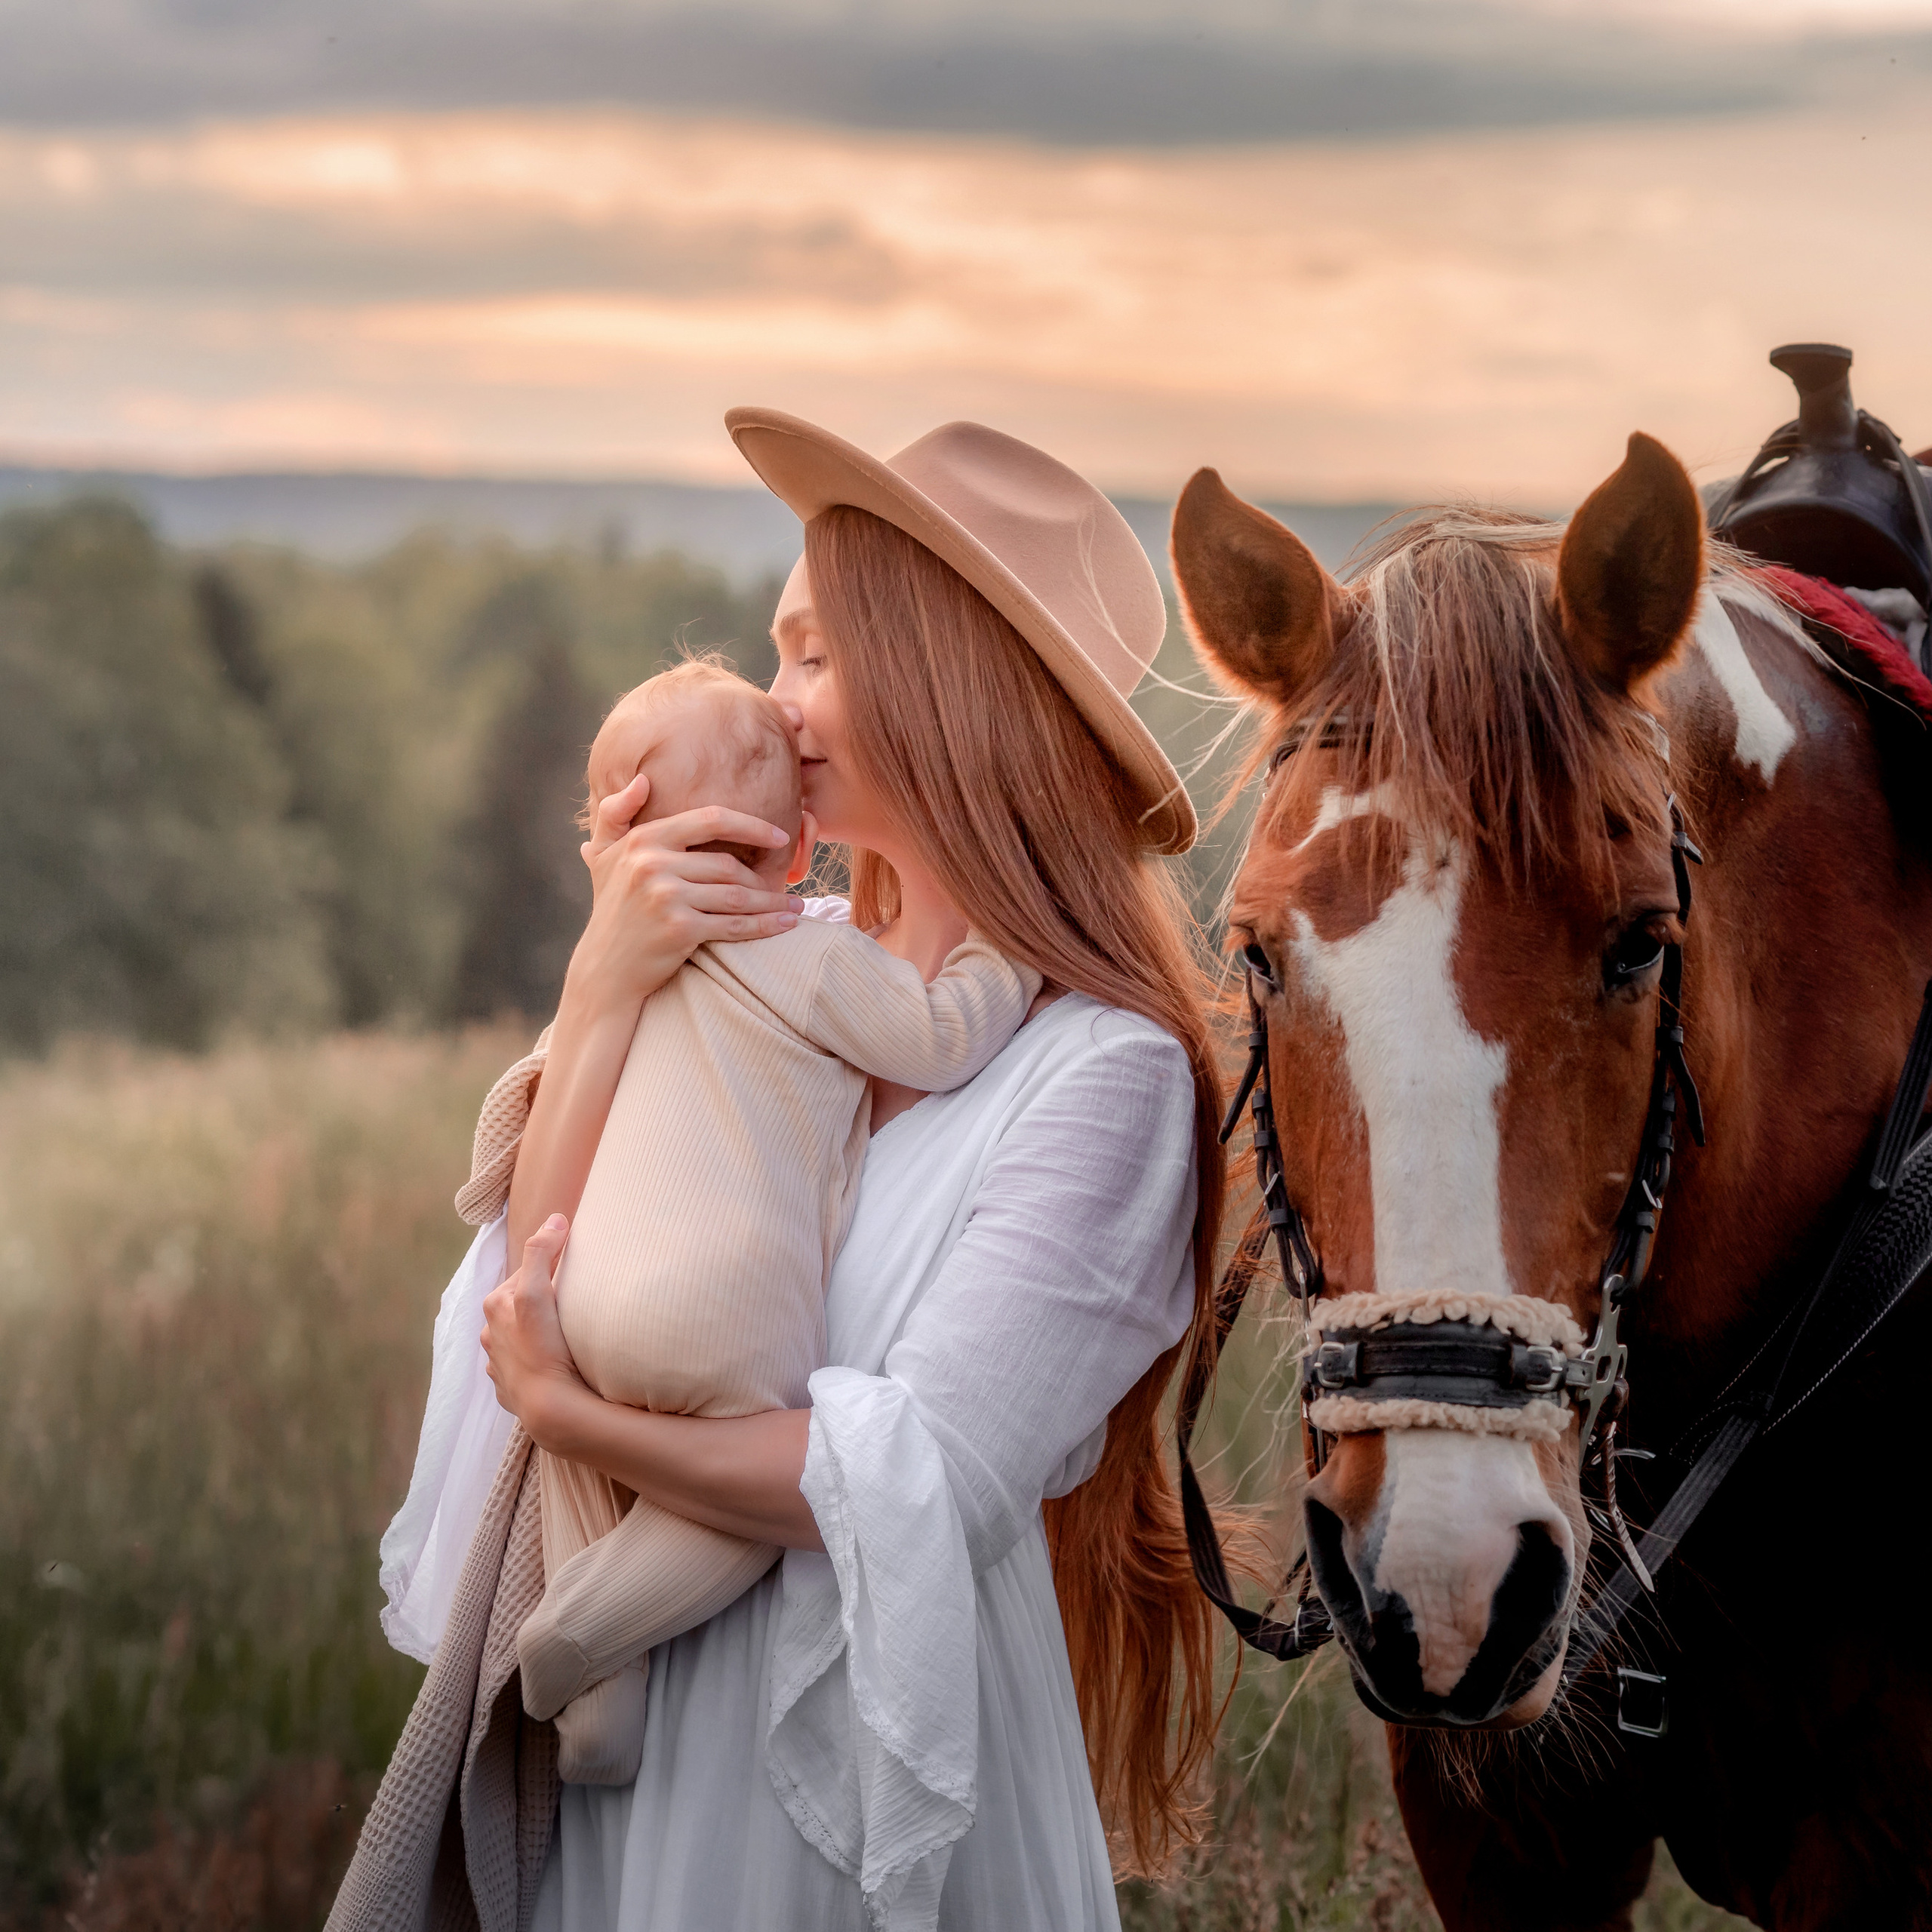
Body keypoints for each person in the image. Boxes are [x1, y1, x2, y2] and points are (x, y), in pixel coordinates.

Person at [329, 409, 1228, 1932]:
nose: (773, 699)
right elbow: (535, 1250)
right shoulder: (780, 963)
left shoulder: (1101, 1075)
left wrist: (570, 1408)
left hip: (855, 1756)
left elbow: (915, 1482)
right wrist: (603, 980)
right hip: (640, 1726)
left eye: (815, 653)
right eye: (776, 649)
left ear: (948, 679)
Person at [502, 656, 1039, 1787]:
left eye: (821, 653)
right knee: (740, 1502)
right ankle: (578, 1638)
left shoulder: (646, 974)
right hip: (721, 1324)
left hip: (586, 1295)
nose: (795, 691)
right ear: (797, 852)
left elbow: (525, 1215)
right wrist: (1007, 958)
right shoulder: (806, 951)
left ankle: (601, 1700)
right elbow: (941, 1040)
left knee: (587, 1452)